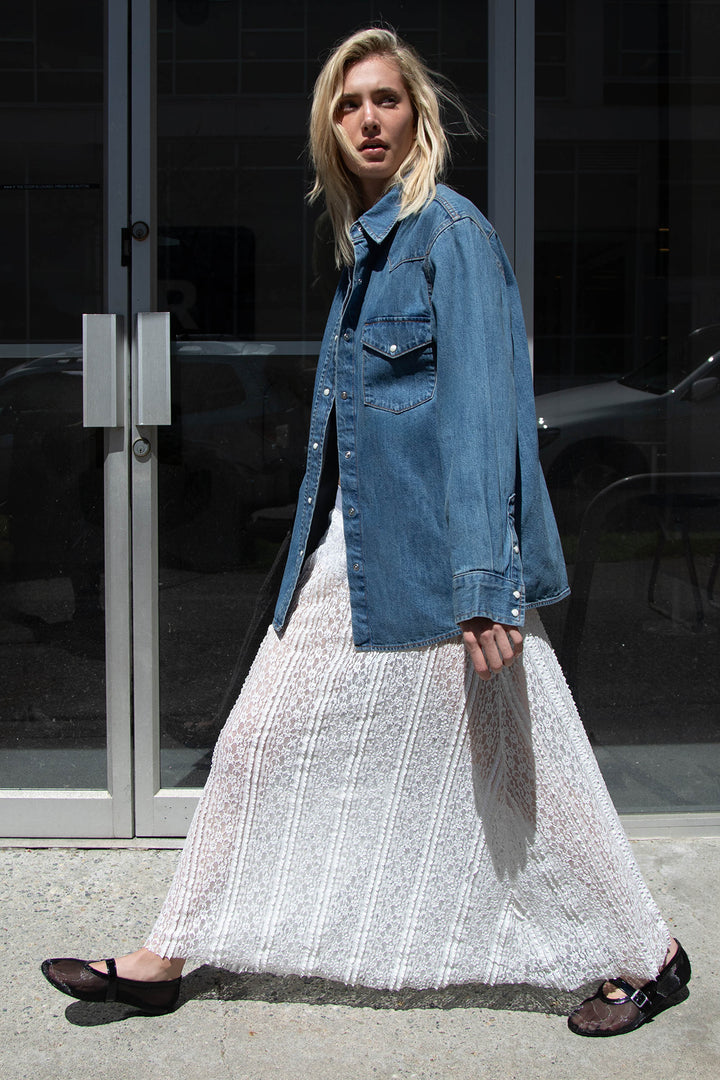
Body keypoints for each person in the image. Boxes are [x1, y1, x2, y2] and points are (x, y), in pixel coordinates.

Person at [41, 27, 690, 1038]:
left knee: (525, 758)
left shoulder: (452, 237)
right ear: (329, 132)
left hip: (439, 559)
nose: (369, 119)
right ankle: (170, 949)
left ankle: (649, 954)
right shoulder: (369, 251)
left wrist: (486, 584)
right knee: (260, 742)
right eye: (349, 107)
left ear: (417, 116)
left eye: (386, 100)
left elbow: (486, 420)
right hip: (361, 548)